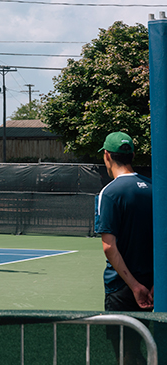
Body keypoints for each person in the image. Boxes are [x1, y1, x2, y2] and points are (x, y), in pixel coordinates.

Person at [95, 131, 153, 365]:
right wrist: (154, 285)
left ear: (107, 156)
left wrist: (136, 287)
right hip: (154, 288)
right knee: (150, 348)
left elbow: (109, 247)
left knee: (125, 355)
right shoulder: (154, 187)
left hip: (123, 288)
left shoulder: (109, 193)